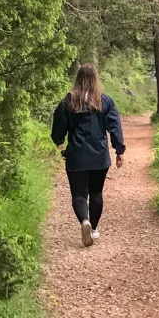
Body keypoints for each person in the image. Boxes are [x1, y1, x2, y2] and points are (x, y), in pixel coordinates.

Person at [51, 63, 125, 248]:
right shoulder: (104, 101)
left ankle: (84, 220)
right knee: (96, 193)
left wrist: (59, 140)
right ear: (95, 79)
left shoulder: (68, 101)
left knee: (79, 195)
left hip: (76, 154)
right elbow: (114, 126)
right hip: (99, 156)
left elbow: (59, 122)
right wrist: (119, 150)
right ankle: (93, 229)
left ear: (78, 79)